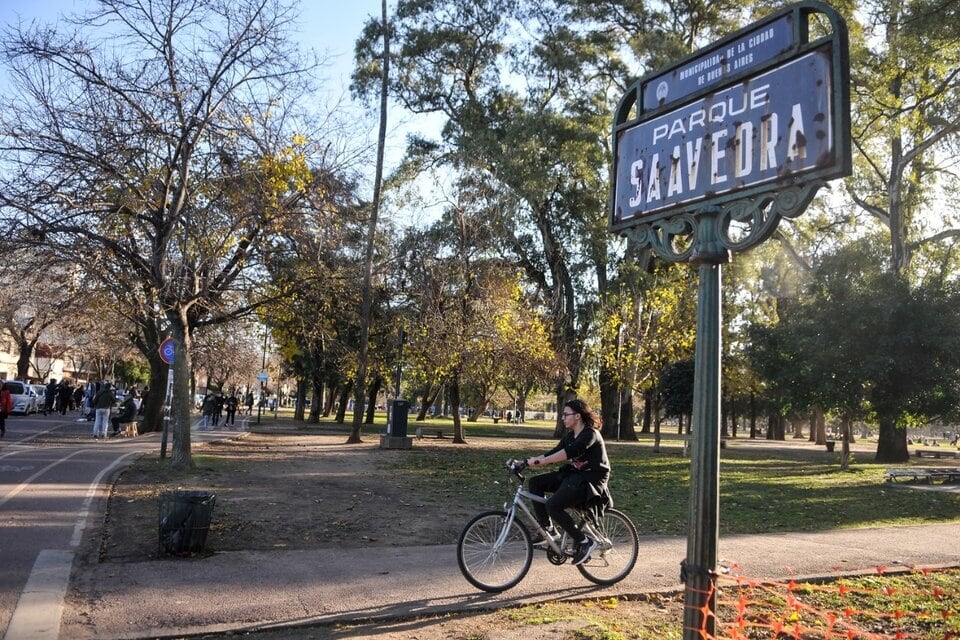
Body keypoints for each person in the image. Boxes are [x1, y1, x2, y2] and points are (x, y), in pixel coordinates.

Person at [523, 398, 611, 566]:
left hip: (591, 480)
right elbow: (555, 452)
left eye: (565, 414)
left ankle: (584, 541)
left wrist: (542, 461)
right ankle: (548, 530)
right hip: (575, 475)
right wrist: (526, 462)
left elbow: (571, 452)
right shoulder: (570, 436)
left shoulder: (590, 434)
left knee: (553, 505)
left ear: (577, 416)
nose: (562, 418)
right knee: (535, 483)